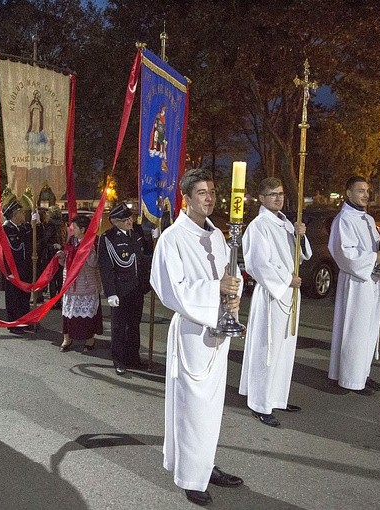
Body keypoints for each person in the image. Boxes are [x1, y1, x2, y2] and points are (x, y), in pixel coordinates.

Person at [149, 168, 244, 507]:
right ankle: (191, 477)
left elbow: (232, 275)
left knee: (211, 407)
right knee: (192, 407)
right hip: (193, 330)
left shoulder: (218, 236)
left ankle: (205, 464)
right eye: (201, 192)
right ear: (185, 198)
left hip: (220, 327)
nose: (210, 197)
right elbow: (169, 289)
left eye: (213, 191)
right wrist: (214, 289)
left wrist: (234, 293)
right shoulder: (172, 239)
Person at [238, 177, 312, 428]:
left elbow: (301, 254)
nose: (278, 198)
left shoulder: (285, 224)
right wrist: (285, 280)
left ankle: (277, 396)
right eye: (272, 194)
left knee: (285, 347)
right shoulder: (259, 226)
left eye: (280, 193)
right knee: (267, 348)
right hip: (273, 293)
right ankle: (260, 403)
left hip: (290, 292)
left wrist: (300, 235)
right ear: (261, 198)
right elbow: (257, 264)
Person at [328, 175, 380, 395]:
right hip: (356, 281)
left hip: (370, 280)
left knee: (368, 329)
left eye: (367, 191)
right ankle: (351, 379)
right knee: (355, 330)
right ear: (348, 193)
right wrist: (375, 258)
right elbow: (344, 253)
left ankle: (362, 373)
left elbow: (370, 247)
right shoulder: (344, 219)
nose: (365, 195)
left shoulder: (365, 218)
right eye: (360, 191)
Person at [98, 202, 152, 375]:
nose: (130, 221)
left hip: (137, 288)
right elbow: (105, 267)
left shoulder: (135, 234)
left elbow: (145, 256)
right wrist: (111, 292)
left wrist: (153, 238)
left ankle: (133, 358)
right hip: (120, 290)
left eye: (130, 218)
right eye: (125, 219)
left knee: (134, 326)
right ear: (115, 221)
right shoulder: (108, 238)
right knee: (119, 327)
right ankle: (119, 360)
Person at [59, 215, 103, 352]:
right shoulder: (71, 240)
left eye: (75, 227)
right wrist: (61, 257)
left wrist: (88, 251)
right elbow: (66, 261)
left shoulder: (93, 242)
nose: (72, 229)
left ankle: (90, 340)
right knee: (68, 314)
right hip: (70, 284)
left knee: (88, 317)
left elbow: (94, 263)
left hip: (87, 284)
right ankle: (67, 338)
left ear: (83, 229)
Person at [2, 199, 34, 334]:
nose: (24, 215)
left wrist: (36, 226)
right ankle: (14, 324)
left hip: (24, 268)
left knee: (24, 297)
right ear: (14, 214)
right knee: (13, 298)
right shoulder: (6, 229)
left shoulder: (22, 228)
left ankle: (24, 321)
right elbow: (14, 247)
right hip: (13, 270)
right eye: (21, 213)